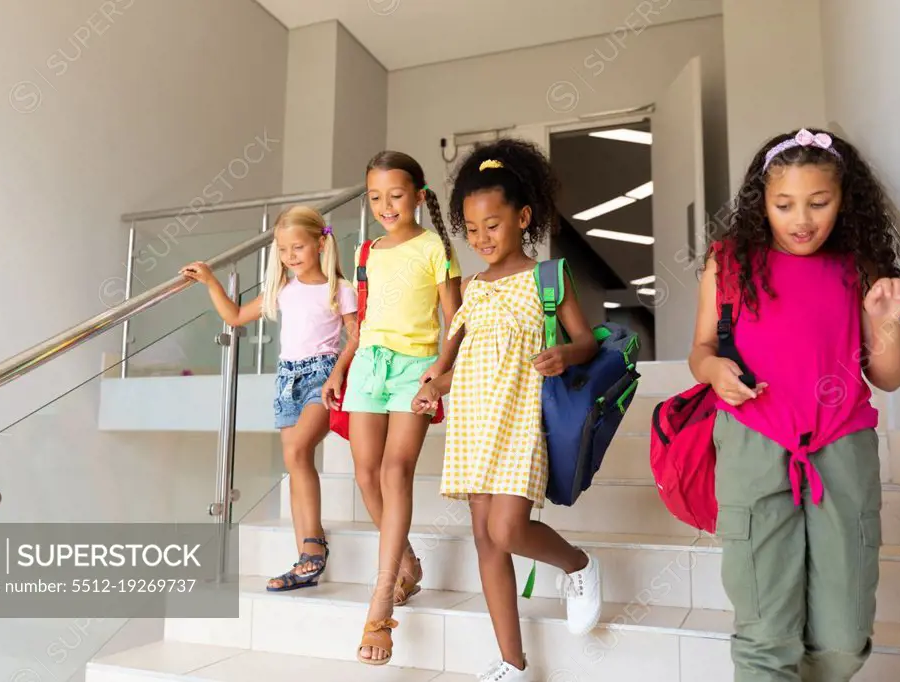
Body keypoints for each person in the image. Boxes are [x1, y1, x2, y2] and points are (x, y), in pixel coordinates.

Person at [689, 128, 900, 681]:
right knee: (766, 633)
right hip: (752, 445)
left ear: (844, 200)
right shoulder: (729, 261)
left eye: (820, 203)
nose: (802, 220)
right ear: (760, 203)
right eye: (784, 204)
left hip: (842, 449)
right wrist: (713, 370)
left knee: (842, 639)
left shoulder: (858, 266)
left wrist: (886, 321)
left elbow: (890, 376)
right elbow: (700, 349)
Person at [412, 139, 603, 682]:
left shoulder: (549, 278)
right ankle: (512, 663)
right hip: (474, 423)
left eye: (492, 226)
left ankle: (578, 565)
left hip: (521, 421)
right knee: (483, 539)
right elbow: (458, 363)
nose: (481, 239)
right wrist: (434, 390)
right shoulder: (471, 289)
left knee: (508, 530)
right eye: (471, 230)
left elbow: (587, 343)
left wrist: (564, 353)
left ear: (523, 218)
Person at [180, 205, 358, 592]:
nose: (290, 256)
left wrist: (340, 372)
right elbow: (236, 317)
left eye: (298, 248)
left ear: (320, 243)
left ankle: (313, 549)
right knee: (296, 462)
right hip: (287, 379)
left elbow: (356, 336)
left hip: (322, 374)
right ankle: (306, 558)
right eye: (282, 250)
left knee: (297, 454)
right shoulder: (282, 291)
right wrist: (211, 281)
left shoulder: (339, 289)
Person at [346, 151, 464, 665]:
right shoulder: (365, 250)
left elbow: (454, 318)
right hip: (368, 366)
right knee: (366, 475)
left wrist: (439, 374)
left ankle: (379, 607)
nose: (386, 205)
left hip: (413, 369)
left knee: (396, 472)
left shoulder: (436, 246)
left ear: (418, 195)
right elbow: (362, 320)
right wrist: (339, 370)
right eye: (375, 197)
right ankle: (409, 562)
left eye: (396, 195)